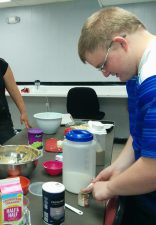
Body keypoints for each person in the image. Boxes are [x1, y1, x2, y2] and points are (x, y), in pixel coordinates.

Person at [78, 7, 156, 225]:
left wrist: (111, 187)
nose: (105, 73)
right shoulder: (137, 73)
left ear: (121, 43)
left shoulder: (153, 82)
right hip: (142, 192)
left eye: (103, 65)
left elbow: (153, 169)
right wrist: (119, 167)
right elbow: (139, 132)